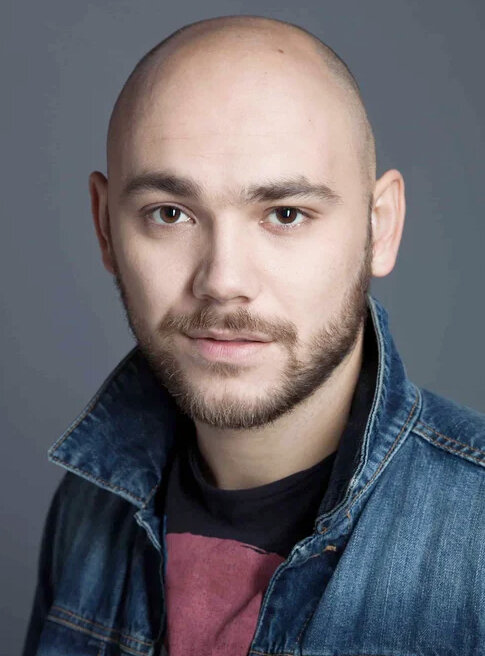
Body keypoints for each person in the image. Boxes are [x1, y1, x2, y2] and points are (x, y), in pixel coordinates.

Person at [23, 15, 485, 656]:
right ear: (106, 227)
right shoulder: (89, 507)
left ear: (379, 227)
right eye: (170, 214)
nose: (223, 282)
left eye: (285, 214)